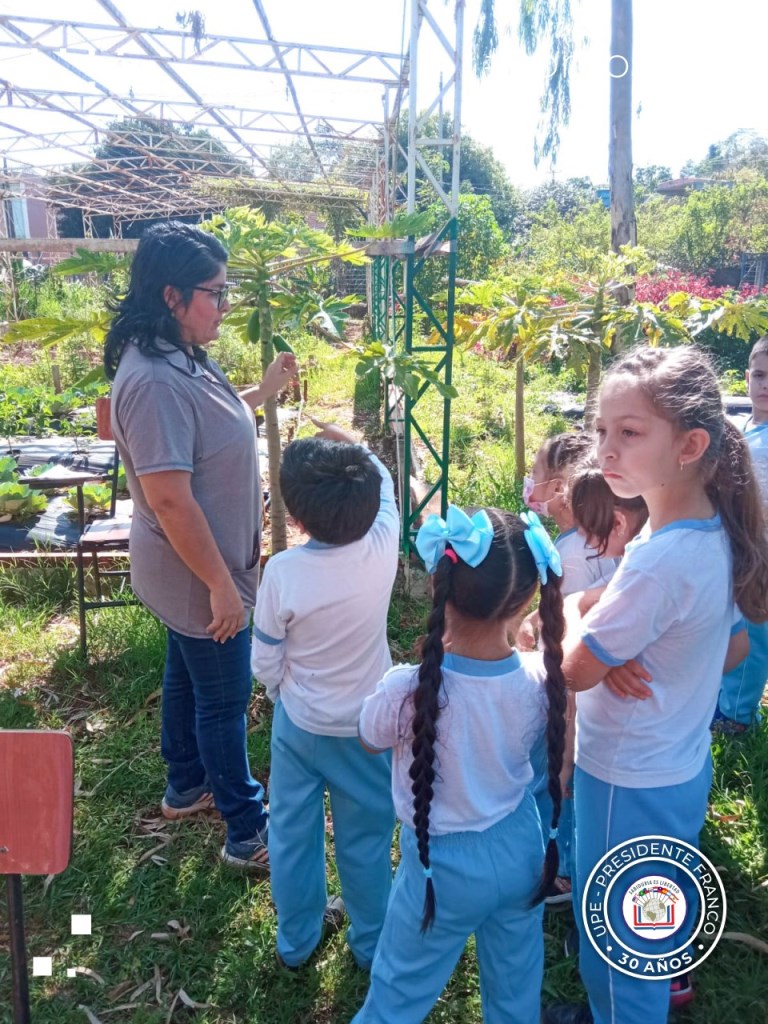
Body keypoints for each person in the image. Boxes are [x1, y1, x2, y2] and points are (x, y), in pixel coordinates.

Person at [545, 346, 768, 1024]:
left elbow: (573, 670)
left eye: (629, 432)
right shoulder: (703, 535)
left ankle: (620, 1013)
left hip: (625, 776)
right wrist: (614, 629)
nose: (603, 449)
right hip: (676, 767)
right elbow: (729, 649)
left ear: (690, 444)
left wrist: (569, 626)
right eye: (602, 429)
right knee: (648, 908)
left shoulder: (662, 558)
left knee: (612, 933)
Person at [105, 221, 296, 870]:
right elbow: (169, 499)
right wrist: (220, 586)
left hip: (189, 568)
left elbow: (206, 420)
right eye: (215, 292)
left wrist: (262, 394)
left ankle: (186, 783)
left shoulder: (176, 353)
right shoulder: (154, 380)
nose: (225, 304)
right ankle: (247, 829)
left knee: (188, 672)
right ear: (171, 296)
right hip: (196, 570)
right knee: (224, 697)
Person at [352, 505, 567, 1024]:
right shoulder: (542, 681)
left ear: (438, 586)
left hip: (439, 869)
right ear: (529, 599)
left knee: (397, 993)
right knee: (517, 985)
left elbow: (367, 739)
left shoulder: (408, 689)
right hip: (523, 849)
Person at [250, 422, 399, 970]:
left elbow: (265, 658)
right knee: (365, 840)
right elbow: (387, 480)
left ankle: (296, 942)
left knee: (291, 833)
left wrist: (277, 694)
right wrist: (355, 446)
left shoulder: (284, 572)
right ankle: (370, 946)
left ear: (295, 518)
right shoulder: (384, 544)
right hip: (368, 728)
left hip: (301, 727)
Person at [523, 432, 619, 906]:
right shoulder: (588, 543)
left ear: (560, 488)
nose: (529, 484)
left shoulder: (571, 556)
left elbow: (569, 632)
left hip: (575, 694)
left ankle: (567, 870)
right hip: (591, 689)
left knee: (562, 775)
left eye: (536, 474)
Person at [715, 334, 768, 733]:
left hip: (760, 551)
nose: (766, 385)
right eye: (761, 376)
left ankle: (737, 715)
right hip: (739, 544)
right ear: (748, 378)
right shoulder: (743, 426)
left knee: (752, 631)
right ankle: (729, 700)